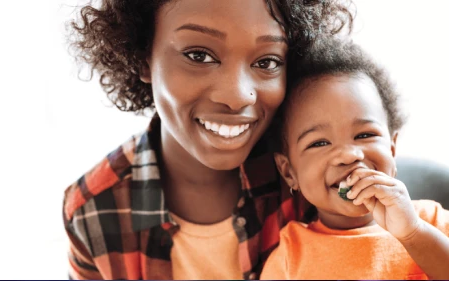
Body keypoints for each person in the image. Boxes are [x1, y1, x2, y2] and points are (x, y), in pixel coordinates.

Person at [63, 0, 354, 279]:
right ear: (143, 58)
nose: (237, 95)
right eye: (199, 55)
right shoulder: (92, 210)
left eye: (267, 61)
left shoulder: (313, 180)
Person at [260, 37, 449, 280]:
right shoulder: (290, 255)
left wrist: (413, 233)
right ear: (289, 172)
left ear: (392, 150)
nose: (349, 155)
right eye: (319, 143)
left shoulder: (431, 222)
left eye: (365, 134)